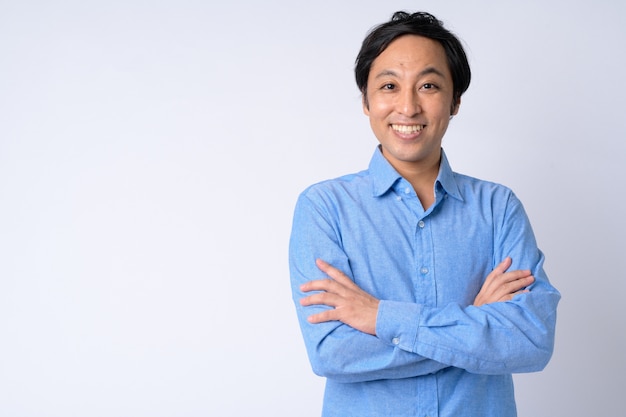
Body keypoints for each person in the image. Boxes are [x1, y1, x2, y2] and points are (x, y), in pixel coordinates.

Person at [289, 10, 560, 417]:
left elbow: (530, 341)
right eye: (389, 86)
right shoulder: (325, 208)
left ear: (455, 101)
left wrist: (380, 317)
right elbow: (333, 353)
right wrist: (474, 324)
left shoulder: (498, 208)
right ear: (366, 100)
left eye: (429, 85)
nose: (408, 106)